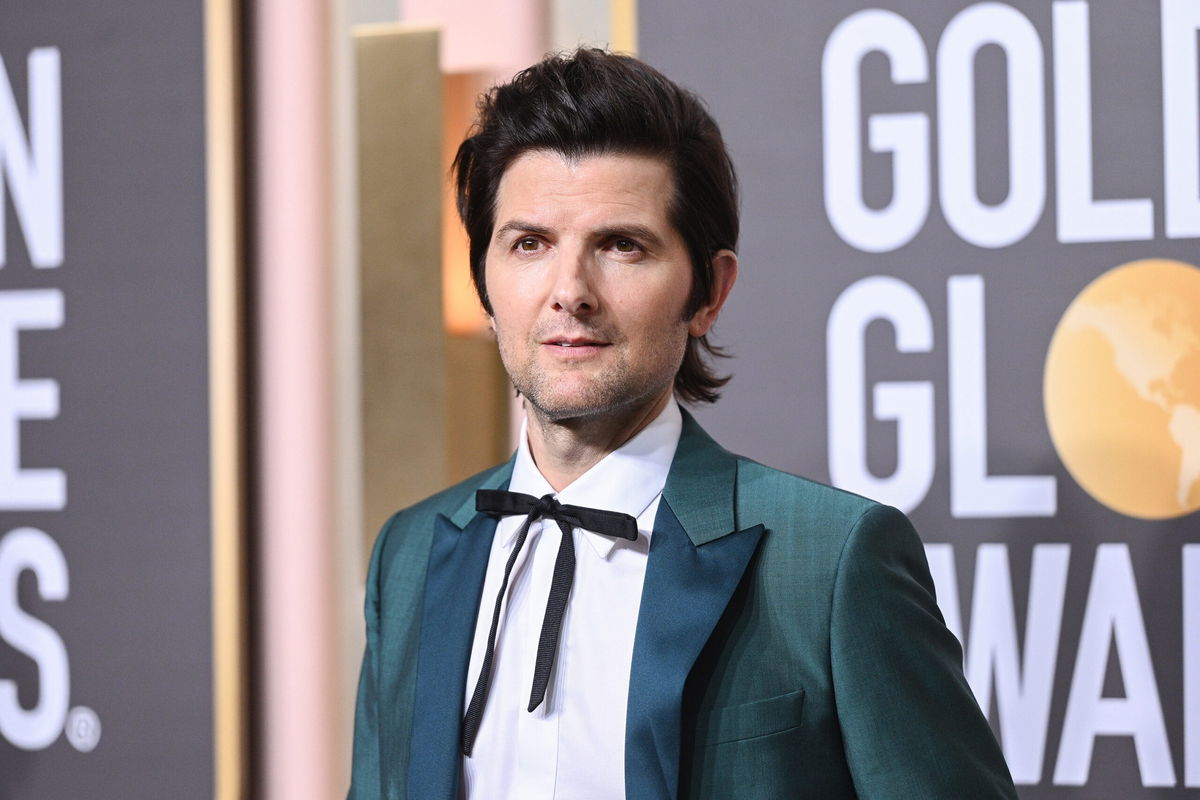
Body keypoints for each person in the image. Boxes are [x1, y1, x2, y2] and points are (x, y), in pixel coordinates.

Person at [349, 48, 1017, 800]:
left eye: (621, 245)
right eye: (529, 244)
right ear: (485, 281)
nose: (570, 291)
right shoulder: (407, 556)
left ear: (708, 291)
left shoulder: (831, 564)